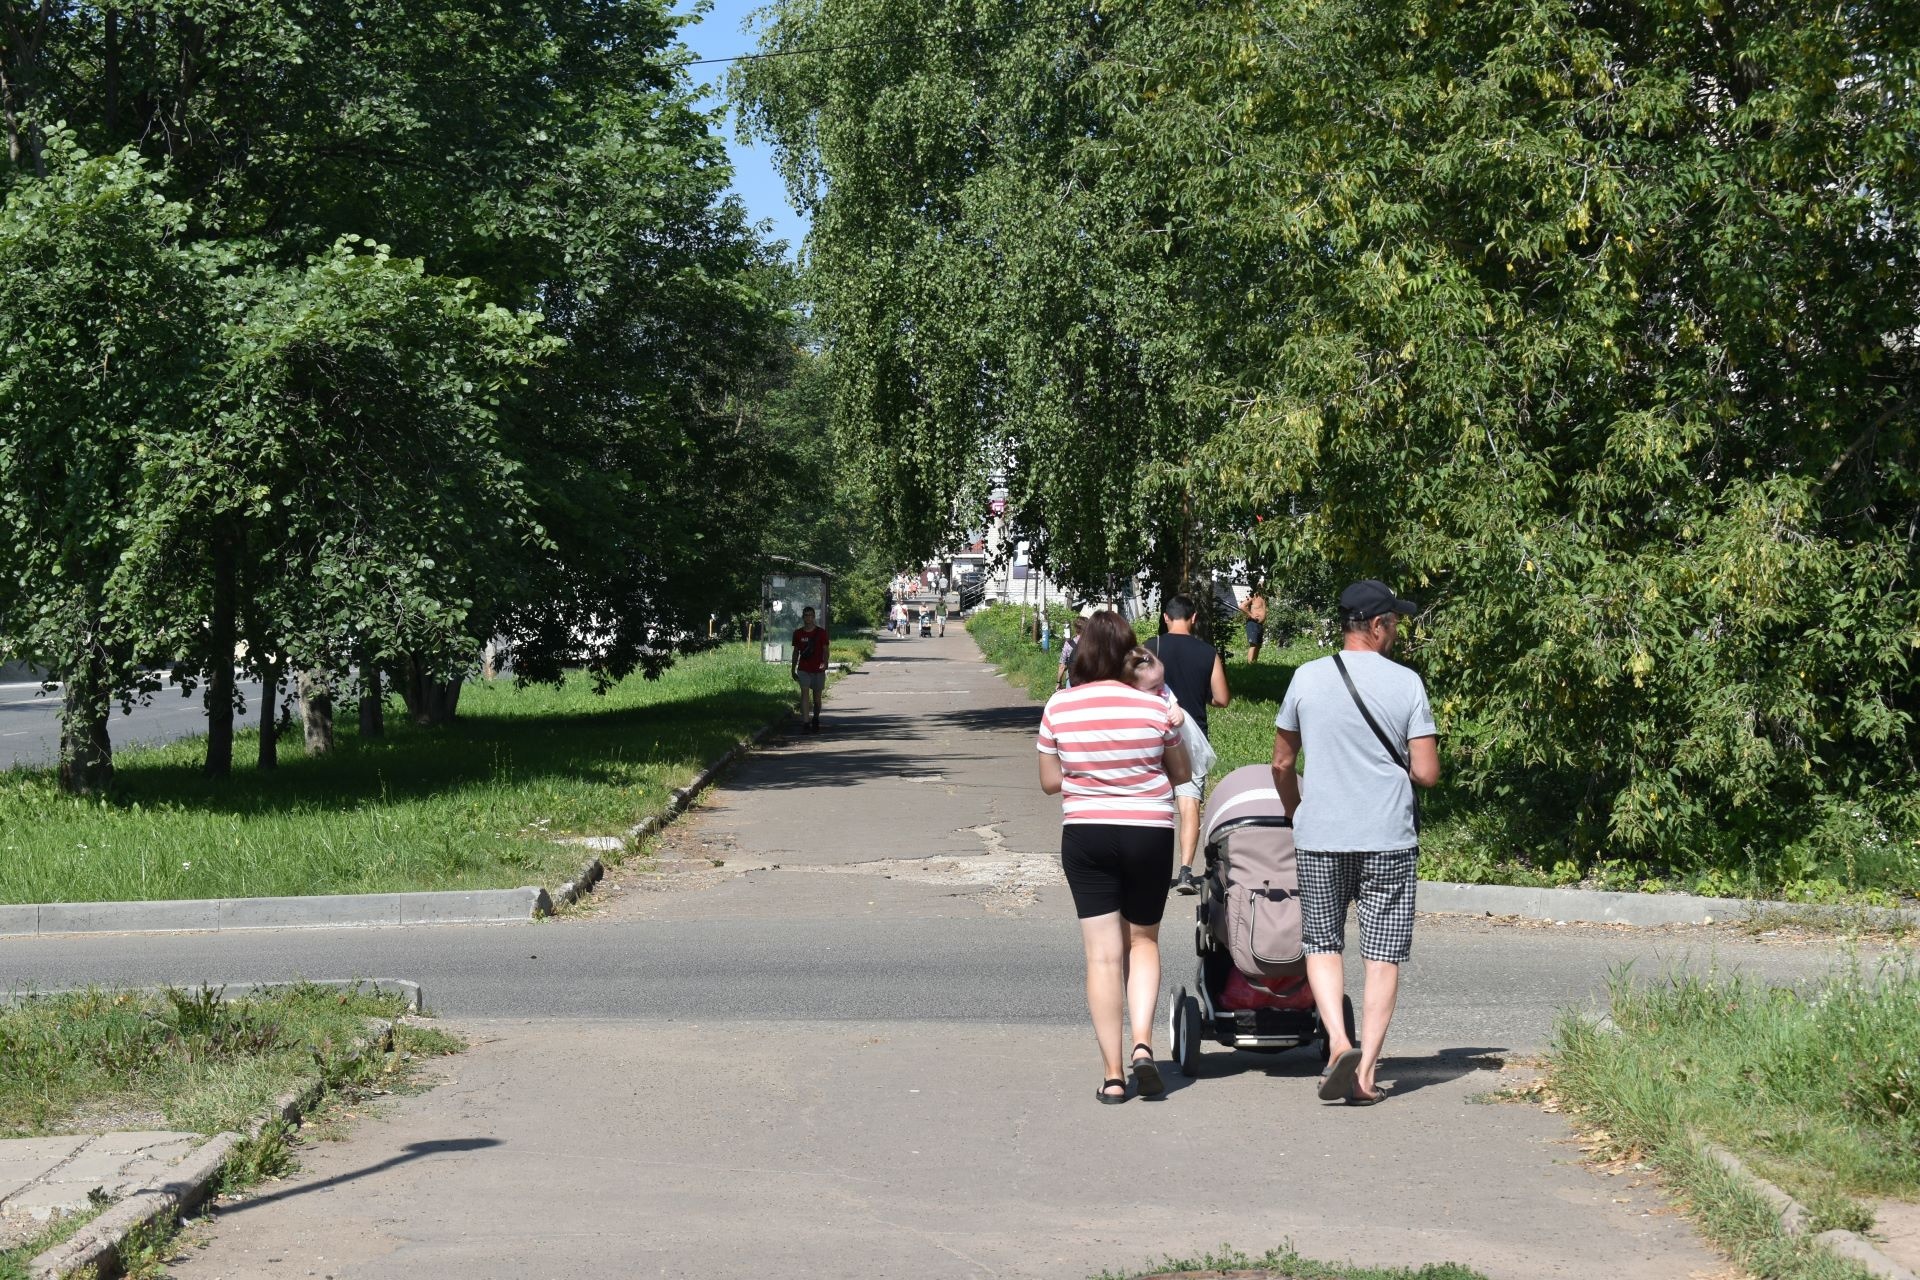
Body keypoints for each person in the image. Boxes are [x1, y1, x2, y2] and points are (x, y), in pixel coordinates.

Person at [1270, 579, 1440, 1106]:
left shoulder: (1306, 677)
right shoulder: (1408, 683)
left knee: (1322, 942)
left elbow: (1281, 761)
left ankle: (1338, 1041)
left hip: (1321, 836)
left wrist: (1297, 812)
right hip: (1388, 837)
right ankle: (1365, 1072)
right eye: (1394, 622)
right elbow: (1427, 773)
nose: (1396, 632)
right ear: (1376, 625)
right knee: (1382, 956)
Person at [1037, 610, 1193, 1104]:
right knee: (1143, 941)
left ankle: (1111, 1075)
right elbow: (1181, 773)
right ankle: (1143, 1046)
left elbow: (1049, 783)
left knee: (1102, 956)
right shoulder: (1153, 708)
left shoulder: (1059, 708)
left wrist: (1090, 773)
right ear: (1130, 652)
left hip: (1086, 834)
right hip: (1148, 832)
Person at [1145, 594, 1230, 894]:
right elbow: (1221, 698)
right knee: (1189, 802)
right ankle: (1184, 872)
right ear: (1194, 618)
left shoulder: (1149, 648)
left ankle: (1152, 870)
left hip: (1153, 733)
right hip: (1192, 738)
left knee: (1154, 802)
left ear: (1166, 618)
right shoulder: (1208, 652)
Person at [790, 606, 830, 733]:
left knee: (817, 699)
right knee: (805, 694)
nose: (808, 618)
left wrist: (825, 663)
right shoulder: (798, 633)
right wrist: (793, 668)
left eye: (811, 615)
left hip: (818, 669)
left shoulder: (821, 633)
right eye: (806, 615)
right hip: (804, 669)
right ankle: (806, 723)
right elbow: (796, 652)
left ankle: (816, 718)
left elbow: (825, 650)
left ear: (814, 617)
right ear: (803, 617)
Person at [1238, 587, 1269, 664]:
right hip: (1253, 623)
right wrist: (1251, 615)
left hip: (1260, 624)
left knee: (1258, 645)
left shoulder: (1264, 597)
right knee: (1253, 644)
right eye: (1261, 586)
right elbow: (1242, 606)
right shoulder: (1253, 596)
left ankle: (1254, 664)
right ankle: (1249, 664)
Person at [1055, 616, 1087, 689]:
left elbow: (1062, 666)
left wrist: (1059, 682)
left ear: (1075, 629)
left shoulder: (1068, 644)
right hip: (1089, 681)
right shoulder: (1093, 644)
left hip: (1072, 680)